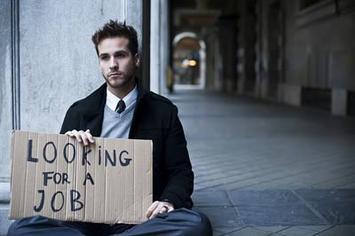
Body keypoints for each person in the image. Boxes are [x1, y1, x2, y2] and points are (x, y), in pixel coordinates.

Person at [8, 20, 212, 236]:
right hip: (84, 221)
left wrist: (168, 201)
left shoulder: (163, 112)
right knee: (21, 229)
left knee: (197, 224)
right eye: (105, 57)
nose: (112, 64)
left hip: (140, 219)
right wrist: (69, 147)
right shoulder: (79, 111)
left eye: (120, 55)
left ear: (136, 59)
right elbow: (60, 182)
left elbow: (180, 172)